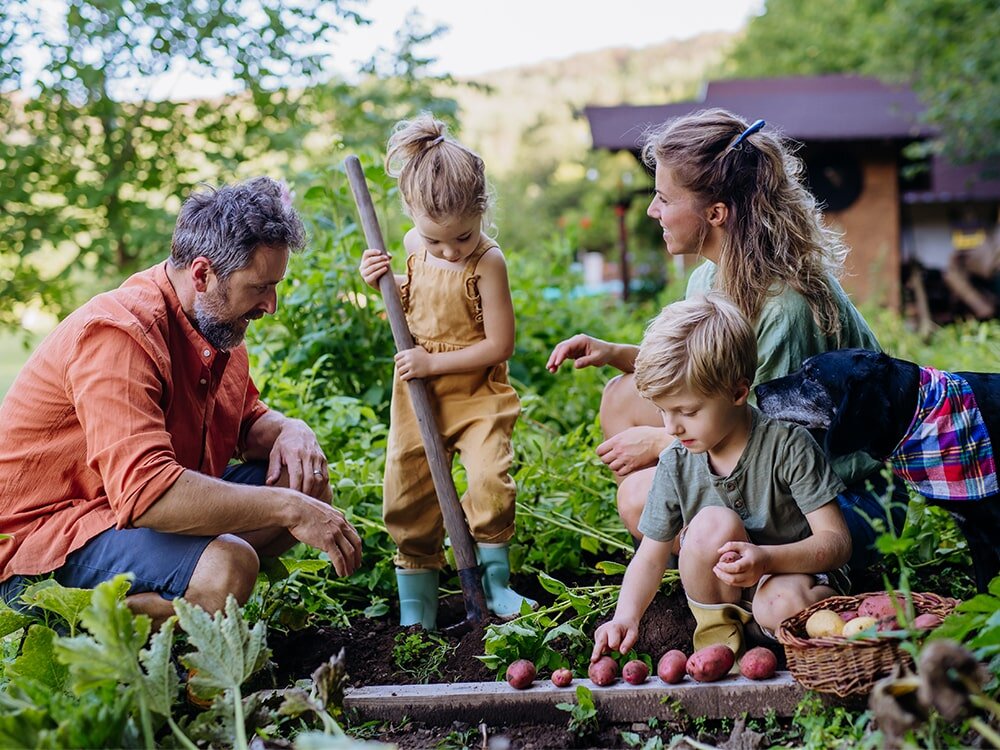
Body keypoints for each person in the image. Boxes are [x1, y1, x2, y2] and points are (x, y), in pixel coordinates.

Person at [547, 108, 905, 577]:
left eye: (663, 198)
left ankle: (747, 566)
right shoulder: (707, 278)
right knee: (623, 394)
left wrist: (660, 442)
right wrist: (617, 354)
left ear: (715, 213)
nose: (653, 210)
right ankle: (709, 550)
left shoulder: (783, 305)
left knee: (639, 498)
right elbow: (707, 374)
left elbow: (773, 434)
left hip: (844, 499)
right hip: (771, 460)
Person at [0, 177, 362, 628]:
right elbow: (148, 495)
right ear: (202, 273)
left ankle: (184, 601)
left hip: (120, 513)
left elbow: (246, 420)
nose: (270, 306)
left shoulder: (216, 326)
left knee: (304, 480)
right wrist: (287, 508)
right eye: (258, 288)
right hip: (50, 538)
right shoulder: (118, 335)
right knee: (227, 568)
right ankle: (62, 624)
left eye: (275, 287)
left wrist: (292, 429)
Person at [591, 294, 851, 663]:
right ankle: (719, 637)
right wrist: (624, 617)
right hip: (725, 591)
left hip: (790, 575)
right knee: (710, 524)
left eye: (687, 411)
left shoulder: (788, 445)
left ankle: (804, 621)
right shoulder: (677, 460)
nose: (670, 426)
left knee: (781, 605)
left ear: (738, 392)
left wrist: (765, 560)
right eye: (663, 411)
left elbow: (837, 542)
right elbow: (650, 557)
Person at [358, 113, 534, 629]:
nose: (450, 251)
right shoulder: (415, 248)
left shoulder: (487, 262)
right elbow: (410, 306)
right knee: (407, 489)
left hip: (477, 392)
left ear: (482, 210)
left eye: (462, 235)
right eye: (436, 241)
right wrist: (381, 282)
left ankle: (495, 584)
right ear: (411, 214)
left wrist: (434, 361)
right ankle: (418, 603)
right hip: (418, 395)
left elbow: (500, 343)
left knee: (488, 480)